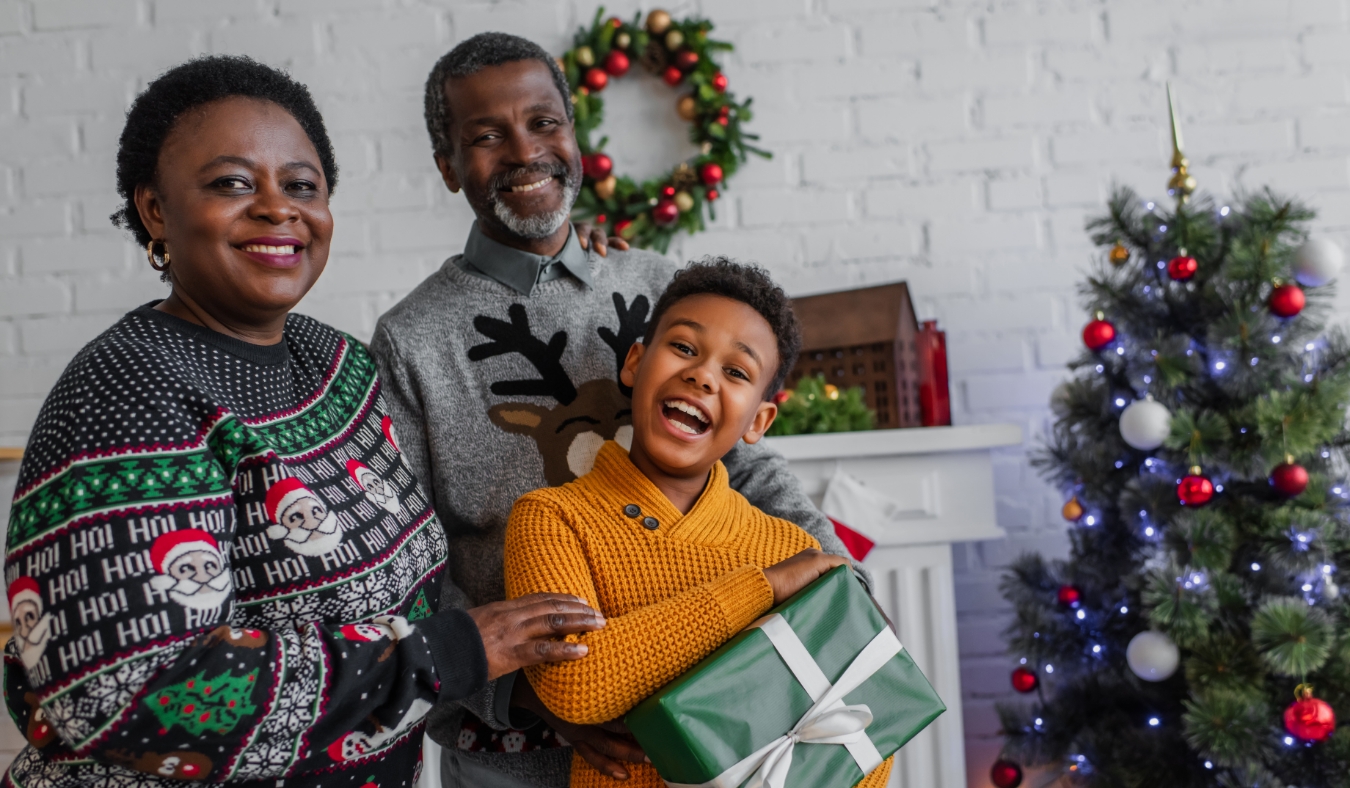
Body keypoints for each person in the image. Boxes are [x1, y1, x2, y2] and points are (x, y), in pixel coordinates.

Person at [1, 55, 604, 788]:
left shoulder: (337, 363)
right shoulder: (126, 394)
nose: (276, 208)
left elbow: (417, 576)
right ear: (156, 209)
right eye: (231, 183)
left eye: (301, 186)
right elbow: (117, 691)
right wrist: (449, 654)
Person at [369, 32, 870, 788]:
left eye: (544, 123)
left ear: (575, 136)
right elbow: (410, 563)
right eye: (485, 136)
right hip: (514, 752)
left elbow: (744, 459)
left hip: (697, 711)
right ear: (447, 167)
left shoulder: (655, 283)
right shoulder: (411, 340)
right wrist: (534, 693)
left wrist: (835, 577)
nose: (524, 151)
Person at [503, 259, 895, 788]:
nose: (703, 375)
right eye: (684, 348)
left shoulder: (791, 546)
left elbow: (866, 740)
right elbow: (576, 680)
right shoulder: (552, 520)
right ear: (635, 364)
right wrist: (763, 589)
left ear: (758, 420)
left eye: (736, 372)